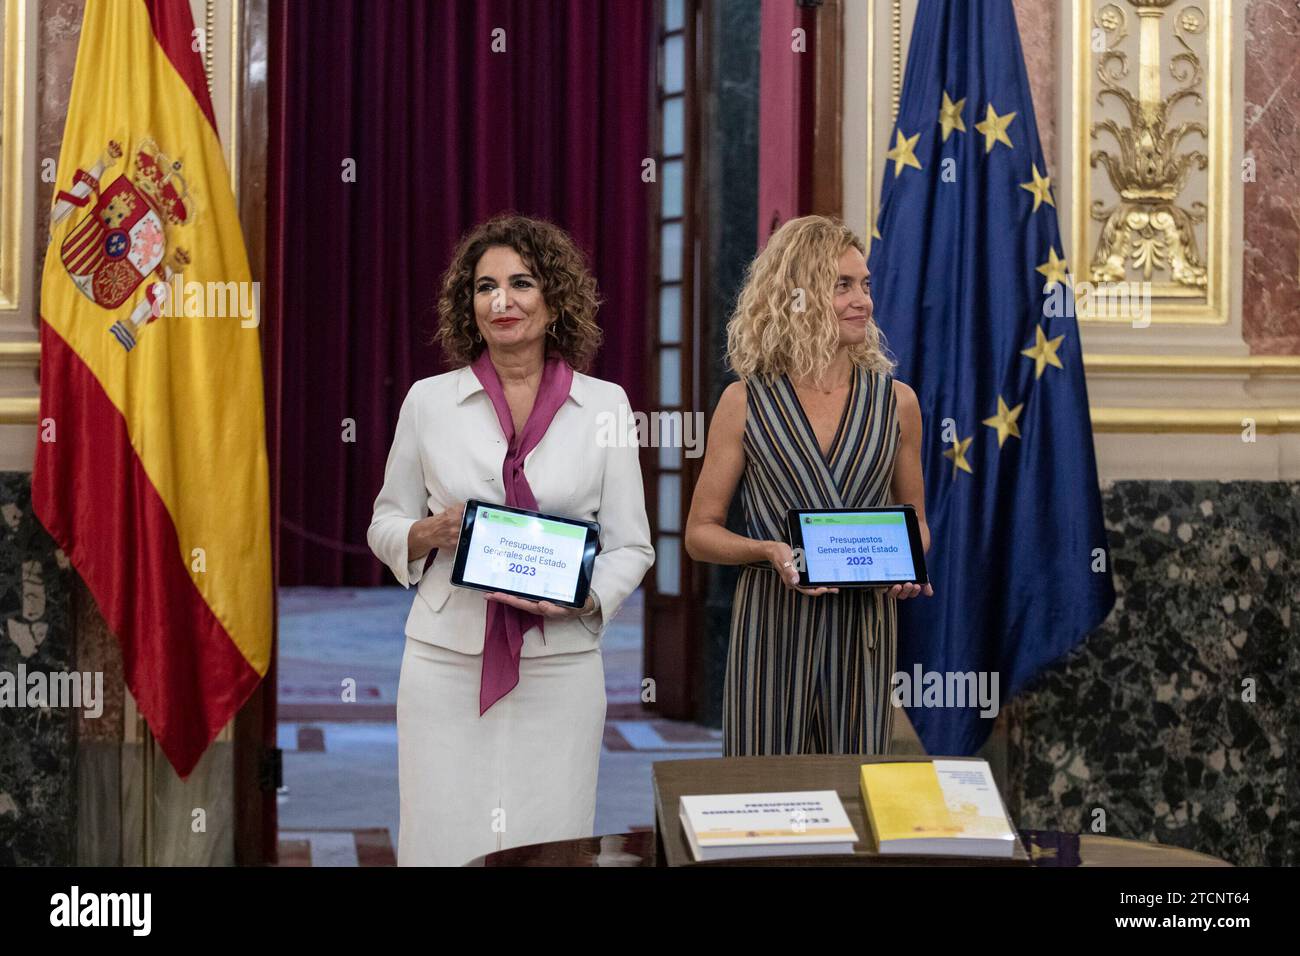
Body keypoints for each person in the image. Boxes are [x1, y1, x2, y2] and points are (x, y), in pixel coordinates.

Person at [367, 214, 654, 866]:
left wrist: (582, 599)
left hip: (562, 665)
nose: (502, 301)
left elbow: (633, 546)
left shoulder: (606, 405)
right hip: (445, 661)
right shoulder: (428, 402)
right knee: (442, 834)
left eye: (521, 283)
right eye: (484, 286)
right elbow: (384, 522)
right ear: (468, 304)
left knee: (548, 836)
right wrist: (427, 531)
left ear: (554, 298)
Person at [684, 215, 932, 757]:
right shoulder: (744, 402)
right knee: (761, 799)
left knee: (853, 793)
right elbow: (700, 533)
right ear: (795, 296)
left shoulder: (898, 402)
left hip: (863, 629)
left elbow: (914, 519)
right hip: (771, 625)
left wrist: (907, 567)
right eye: (842, 286)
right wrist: (767, 551)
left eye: (865, 285)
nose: (862, 300)